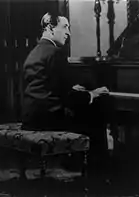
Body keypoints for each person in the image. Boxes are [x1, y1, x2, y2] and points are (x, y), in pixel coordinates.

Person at [22, 11, 114, 175]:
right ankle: (101, 173)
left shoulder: (36, 51)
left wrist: (72, 90)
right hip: (48, 119)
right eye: (65, 27)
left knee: (86, 110)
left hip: (32, 117)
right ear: (50, 28)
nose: (68, 33)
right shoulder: (56, 53)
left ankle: (80, 165)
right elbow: (67, 97)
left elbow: (50, 87)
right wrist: (91, 94)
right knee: (96, 113)